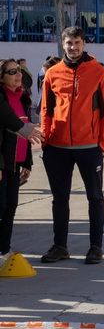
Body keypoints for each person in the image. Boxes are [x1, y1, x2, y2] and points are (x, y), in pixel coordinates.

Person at [40, 26, 104, 265]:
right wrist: (46, 139)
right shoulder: (52, 73)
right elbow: (46, 109)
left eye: (77, 43)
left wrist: (101, 143)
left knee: (95, 198)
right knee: (59, 199)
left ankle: (96, 247)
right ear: (63, 44)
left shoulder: (99, 72)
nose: (73, 47)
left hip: (89, 147)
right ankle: (60, 246)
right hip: (57, 147)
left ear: (84, 44)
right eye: (69, 43)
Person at [0, 59, 41, 266]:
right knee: (0, 207)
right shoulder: (1, 97)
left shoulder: (23, 97)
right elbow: (11, 122)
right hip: (3, 164)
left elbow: (26, 131)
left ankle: (4, 251)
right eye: (12, 71)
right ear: (1, 77)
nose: (18, 75)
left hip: (16, 163)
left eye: (20, 71)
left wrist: (28, 161)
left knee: (11, 207)